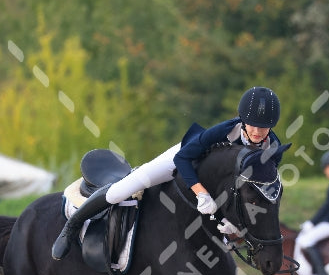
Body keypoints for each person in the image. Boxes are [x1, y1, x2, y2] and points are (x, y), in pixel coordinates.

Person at [52, 86, 283, 259]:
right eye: (251, 124)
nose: (256, 131)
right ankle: (72, 225)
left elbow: (251, 190)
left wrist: (231, 220)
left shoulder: (272, 149)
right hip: (184, 159)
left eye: (263, 127)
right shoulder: (225, 131)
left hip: (214, 180)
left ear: (271, 126)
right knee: (121, 190)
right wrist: (201, 193)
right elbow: (182, 159)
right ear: (242, 121)